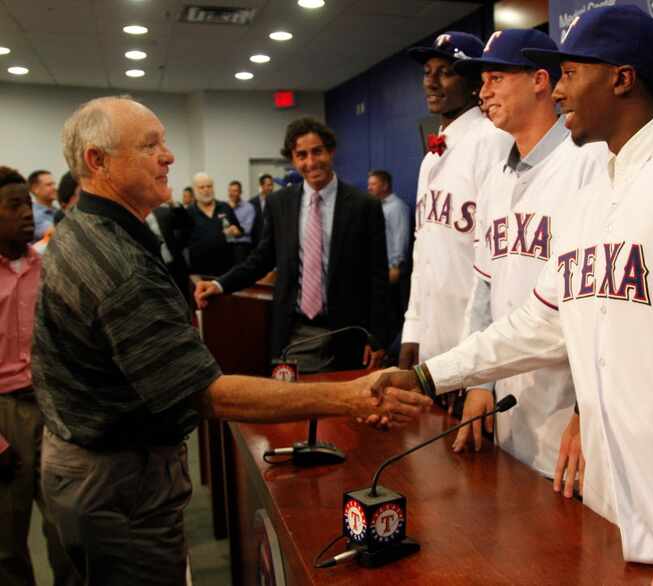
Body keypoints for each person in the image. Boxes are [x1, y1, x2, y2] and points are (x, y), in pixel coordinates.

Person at [376, 7, 653, 585]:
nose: (561, 90)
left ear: (622, 78)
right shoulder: (590, 190)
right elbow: (539, 323)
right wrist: (431, 376)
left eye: (571, 73)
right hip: (608, 518)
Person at [33, 96, 431, 586]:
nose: (169, 156)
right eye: (150, 144)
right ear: (98, 161)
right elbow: (206, 392)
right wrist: (348, 396)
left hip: (89, 471)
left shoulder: (81, 232)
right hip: (118, 485)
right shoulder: (118, 264)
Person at [449, 29, 607, 492]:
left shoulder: (590, 162)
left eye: (496, 77)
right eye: (482, 81)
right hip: (511, 411)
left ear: (541, 81)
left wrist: (588, 413)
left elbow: (602, 306)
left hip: (570, 418)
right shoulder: (498, 176)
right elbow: (485, 290)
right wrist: (479, 381)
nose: (483, 92)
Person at [195, 118, 389, 373]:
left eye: (317, 151)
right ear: (293, 160)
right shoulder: (280, 203)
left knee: (344, 408)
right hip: (294, 331)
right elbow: (262, 258)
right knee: (295, 408)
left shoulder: (365, 205)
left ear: (330, 151)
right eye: (301, 155)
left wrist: (376, 336)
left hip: (348, 332)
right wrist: (220, 284)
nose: (311, 162)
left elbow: (378, 277)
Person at [400, 31, 512, 392]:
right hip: (434, 343)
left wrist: (469, 363)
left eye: (445, 71)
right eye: (427, 71)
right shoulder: (431, 155)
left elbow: (493, 263)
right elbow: (423, 251)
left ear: (473, 82)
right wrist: (411, 330)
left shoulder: (491, 139)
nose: (431, 81)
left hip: (471, 349)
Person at [0, 166, 80, 586]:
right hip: (4, 414)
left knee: (65, 530)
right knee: (7, 544)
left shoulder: (45, 267)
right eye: (13, 206)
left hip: (50, 407)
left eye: (26, 204)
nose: (27, 214)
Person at [366, 169, 411, 335]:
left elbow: (401, 236)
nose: (369, 188)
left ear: (384, 185)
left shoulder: (397, 207)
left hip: (394, 270)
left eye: (373, 184)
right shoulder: (378, 207)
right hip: (382, 269)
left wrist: (395, 265)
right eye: (369, 184)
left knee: (395, 312)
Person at [186, 172, 241, 277]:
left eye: (209, 186)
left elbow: (239, 230)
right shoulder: (188, 212)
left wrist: (236, 231)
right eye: (202, 187)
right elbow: (182, 243)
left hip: (227, 269)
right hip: (200, 272)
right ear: (195, 190)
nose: (206, 190)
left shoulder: (225, 207)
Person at [148, 200, 194, 311]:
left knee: (185, 299)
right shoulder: (132, 218)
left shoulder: (163, 211)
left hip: (175, 264)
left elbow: (186, 224)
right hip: (154, 268)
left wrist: (176, 206)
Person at [227, 179, 255, 263]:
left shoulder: (249, 207)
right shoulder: (224, 206)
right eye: (230, 191)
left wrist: (233, 231)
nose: (232, 194)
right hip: (227, 244)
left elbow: (247, 229)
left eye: (235, 191)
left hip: (242, 244)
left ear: (240, 192)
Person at [28, 170, 57, 240]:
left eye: (54, 184)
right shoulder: (34, 215)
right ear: (35, 189)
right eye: (49, 185)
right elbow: (56, 233)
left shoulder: (56, 210)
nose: (54, 188)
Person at [249, 173, 273, 247]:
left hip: (272, 241)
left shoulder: (276, 201)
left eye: (272, 185)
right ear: (262, 186)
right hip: (256, 242)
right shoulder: (251, 203)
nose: (271, 188)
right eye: (268, 185)